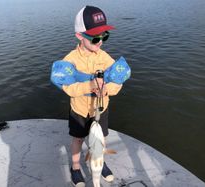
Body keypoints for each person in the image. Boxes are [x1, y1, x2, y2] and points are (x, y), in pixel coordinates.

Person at [51, 5, 124, 187]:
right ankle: (76, 167)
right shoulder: (70, 60)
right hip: (80, 110)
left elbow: (117, 79)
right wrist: (89, 85)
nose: (100, 41)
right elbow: (67, 87)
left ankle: (101, 161)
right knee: (77, 139)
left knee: (101, 139)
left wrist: (109, 89)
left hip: (101, 108)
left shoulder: (105, 56)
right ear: (79, 36)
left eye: (104, 35)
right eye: (95, 37)